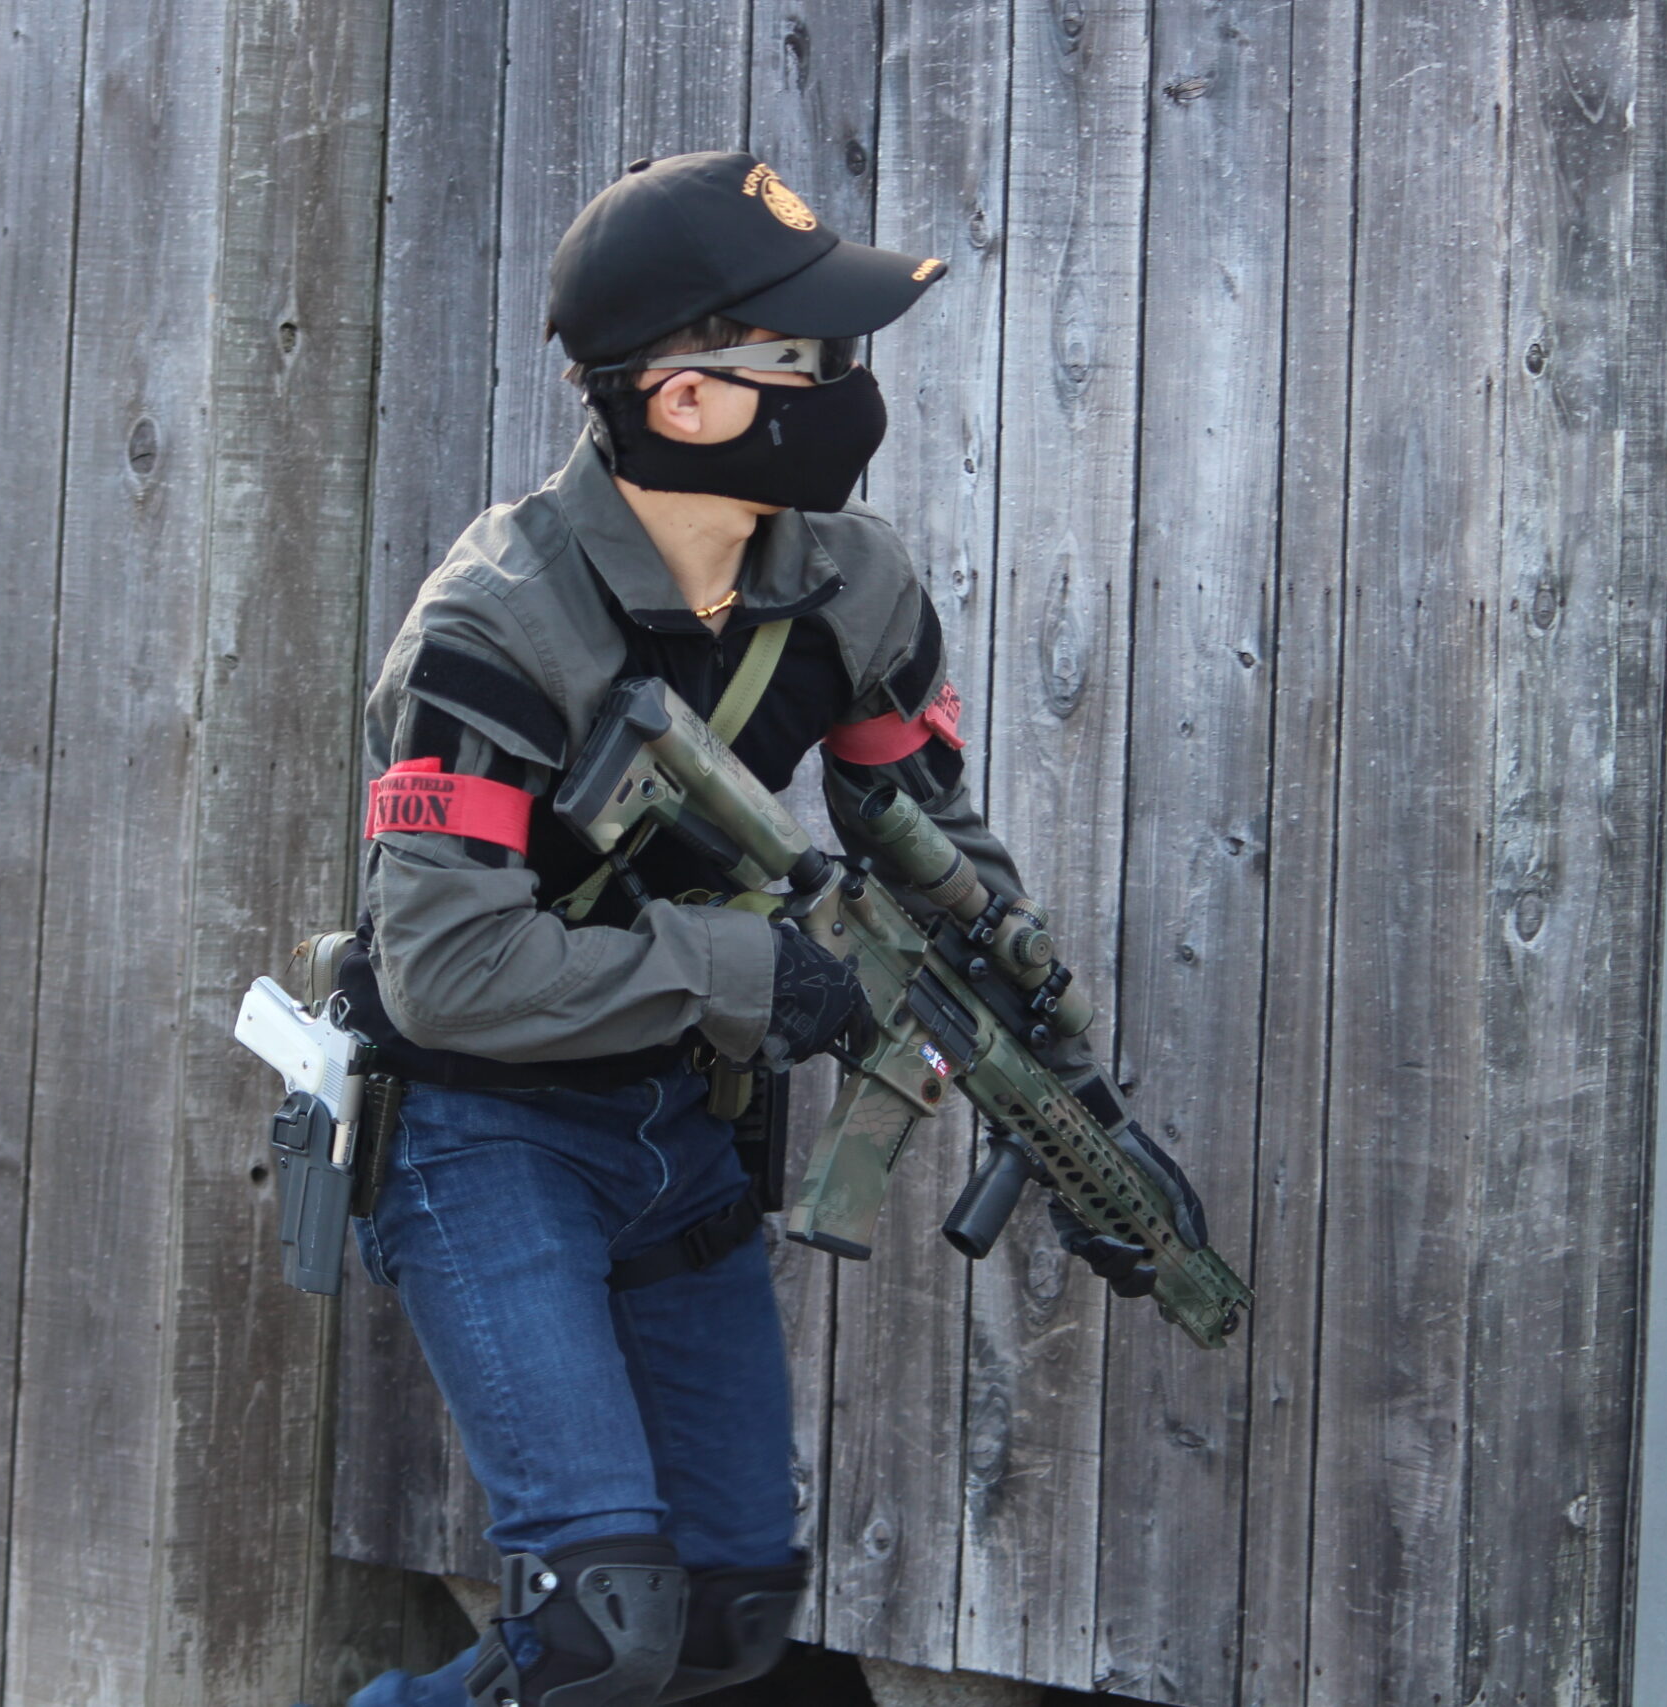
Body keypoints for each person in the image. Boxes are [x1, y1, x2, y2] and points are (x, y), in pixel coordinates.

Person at [333, 151, 1151, 1707]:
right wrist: (748, 972)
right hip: (482, 1134)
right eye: (814, 358)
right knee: (602, 1632)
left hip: (680, 1130)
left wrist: (1054, 1076)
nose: (852, 389)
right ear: (689, 401)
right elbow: (444, 974)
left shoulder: (855, 587)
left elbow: (929, 841)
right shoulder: (493, 624)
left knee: (730, 1626)